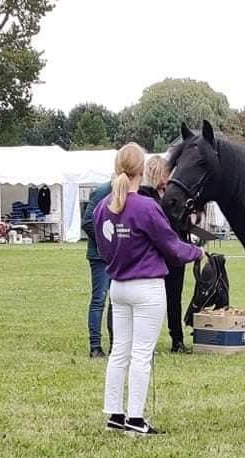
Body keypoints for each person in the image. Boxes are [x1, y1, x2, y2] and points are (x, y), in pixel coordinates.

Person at [93, 143, 203, 435]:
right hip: (147, 288)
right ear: (142, 170)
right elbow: (172, 246)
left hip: (119, 286)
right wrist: (197, 253)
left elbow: (105, 249)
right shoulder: (146, 207)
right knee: (142, 354)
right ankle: (136, 419)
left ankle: (115, 414)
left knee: (120, 352)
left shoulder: (103, 207)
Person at [139, 155, 193, 353]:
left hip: (175, 253)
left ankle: (177, 339)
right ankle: (149, 339)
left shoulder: (172, 195)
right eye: (166, 172)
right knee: (153, 297)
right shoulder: (145, 196)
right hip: (158, 254)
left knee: (174, 297)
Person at [82, 181, 113, 358]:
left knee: (115, 301)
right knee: (99, 300)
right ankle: (95, 345)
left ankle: (115, 344)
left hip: (115, 256)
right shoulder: (102, 191)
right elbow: (87, 222)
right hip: (100, 256)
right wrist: (106, 243)